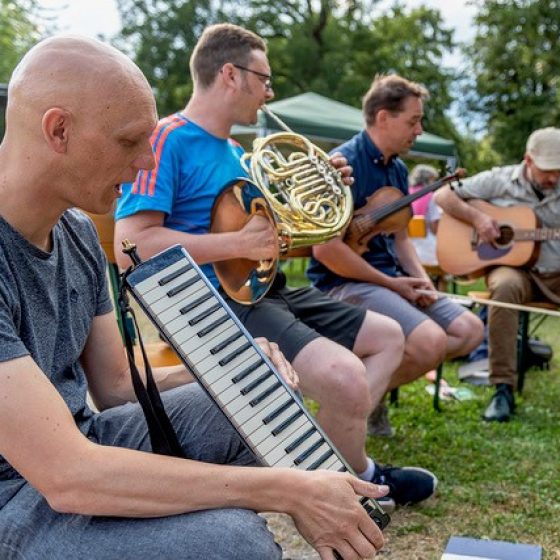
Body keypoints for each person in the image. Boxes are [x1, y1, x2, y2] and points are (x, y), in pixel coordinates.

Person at [0, 35, 388, 560]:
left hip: (80, 445)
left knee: (257, 397)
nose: (144, 162)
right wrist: (285, 490)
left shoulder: (76, 233)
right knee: (236, 542)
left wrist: (238, 364)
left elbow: (115, 386)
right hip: (18, 498)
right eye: (130, 140)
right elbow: (68, 475)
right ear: (58, 130)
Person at [114, 24, 436, 511]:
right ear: (230, 74)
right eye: (263, 79)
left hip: (266, 288)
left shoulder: (239, 153)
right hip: (212, 301)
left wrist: (327, 184)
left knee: (390, 336)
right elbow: (131, 245)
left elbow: (278, 235)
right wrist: (235, 242)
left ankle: (327, 467)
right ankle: (358, 481)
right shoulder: (167, 139)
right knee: (347, 378)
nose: (270, 92)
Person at [307, 75, 484, 435]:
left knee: (469, 330)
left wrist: (420, 279)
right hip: (347, 282)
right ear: (384, 117)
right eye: (413, 121)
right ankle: (342, 421)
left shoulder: (398, 169)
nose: (419, 130)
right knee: (429, 341)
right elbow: (326, 250)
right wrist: (394, 284)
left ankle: (367, 387)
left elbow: (401, 237)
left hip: (393, 281)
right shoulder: (340, 163)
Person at [435, 127, 560, 422]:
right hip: (511, 269)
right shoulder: (499, 179)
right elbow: (442, 196)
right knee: (506, 287)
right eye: (547, 170)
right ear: (528, 160)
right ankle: (502, 388)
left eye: (558, 171)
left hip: (559, 271)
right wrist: (480, 219)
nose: (553, 178)